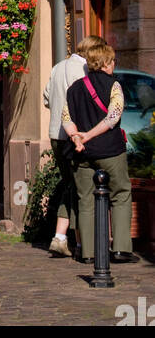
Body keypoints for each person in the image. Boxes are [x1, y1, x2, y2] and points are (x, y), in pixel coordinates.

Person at [63, 37, 139, 264]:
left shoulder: (75, 88)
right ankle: (121, 249)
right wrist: (89, 135)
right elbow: (113, 117)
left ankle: (88, 252)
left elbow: (66, 118)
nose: (114, 64)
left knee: (85, 200)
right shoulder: (113, 85)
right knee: (121, 194)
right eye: (112, 61)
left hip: (82, 153)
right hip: (110, 151)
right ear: (105, 63)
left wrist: (77, 138)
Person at [42, 35, 99, 257]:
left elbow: (46, 98)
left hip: (56, 134)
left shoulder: (58, 67)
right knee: (83, 188)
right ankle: (81, 241)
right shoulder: (85, 70)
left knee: (71, 186)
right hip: (77, 135)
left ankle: (62, 236)